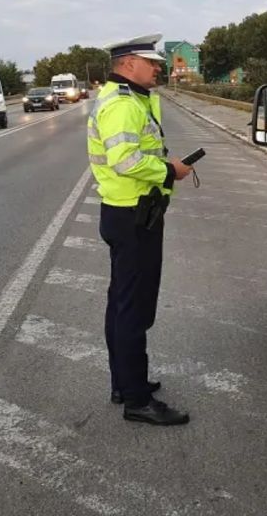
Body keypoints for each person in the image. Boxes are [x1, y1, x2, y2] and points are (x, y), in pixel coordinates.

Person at [88, 33, 193, 426]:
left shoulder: (132, 99)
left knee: (122, 302)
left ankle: (125, 382)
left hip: (128, 213)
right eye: (152, 63)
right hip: (134, 217)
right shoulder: (121, 105)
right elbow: (125, 160)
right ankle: (136, 400)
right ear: (128, 63)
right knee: (134, 308)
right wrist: (170, 170)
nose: (158, 69)